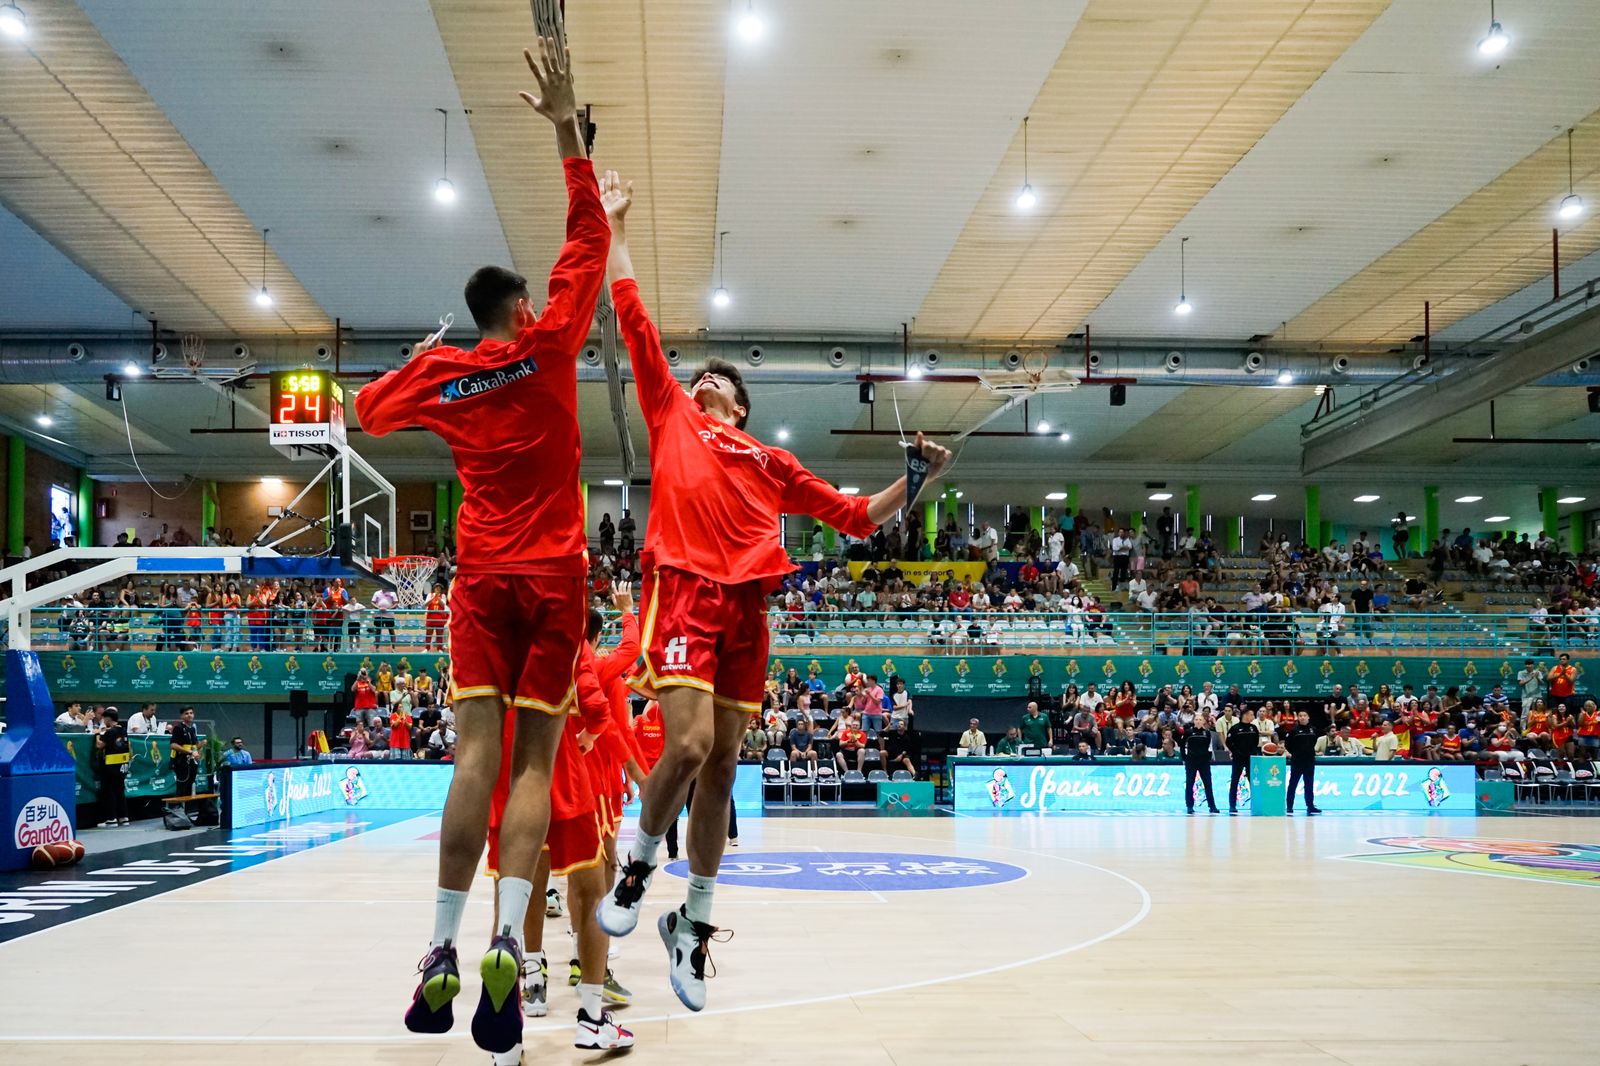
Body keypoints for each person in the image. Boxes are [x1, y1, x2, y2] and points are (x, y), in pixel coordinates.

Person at [596, 168, 952, 1014]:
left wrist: (915, 480)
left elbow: (858, 518)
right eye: (697, 378)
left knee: (721, 768)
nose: (701, 382)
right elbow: (633, 315)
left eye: (717, 381)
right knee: (682, 749)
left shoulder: (771, 463)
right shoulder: (671, 416)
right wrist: (614, 222)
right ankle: (637, 866)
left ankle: (696, 923)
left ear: (744, 407)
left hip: (749, 608)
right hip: (683, 592)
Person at [356, 38, 607, 1051]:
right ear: (520, 309)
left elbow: (369, 412)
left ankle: (442, 948)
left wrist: (426, 359)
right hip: (554, 578)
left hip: (481, 580)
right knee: (534, 768)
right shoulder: (546, 346)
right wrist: (563, 129)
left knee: (472, 760)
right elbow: (586, 237)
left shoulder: (450, 379)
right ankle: (511, 938)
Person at [95, 708, 131, 826]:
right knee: (120, 791)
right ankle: (123, 817)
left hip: (110, 767)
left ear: (108, 719)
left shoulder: (110, 732)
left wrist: (97, 734)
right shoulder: (123, 730)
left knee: (109, 791)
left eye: (104, 718)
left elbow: (100, 745)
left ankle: (111, 819)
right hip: (122, 766)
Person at [1179, 711, 1219, 814]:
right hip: (1191, 761)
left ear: (1203, 722)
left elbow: (1209, 747)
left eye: (1200, 720)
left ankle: (1212, 806)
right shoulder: (1188, 732)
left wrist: (1208, 758)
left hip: (1204, 762)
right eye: (1196, 719)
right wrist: (1184, 757)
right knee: (1189, 783)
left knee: (1208, 784)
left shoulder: (1207, 733)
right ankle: (1189, 806)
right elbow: (1182, 745)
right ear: (1194, 721)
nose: (1198, 721)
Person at [1283, 710, 1322, 814]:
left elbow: (1315, 743)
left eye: (1305, 715)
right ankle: (1289, 806)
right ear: (1298, 718)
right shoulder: (1294, 731)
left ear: (1308, 717)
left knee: (1309, 785)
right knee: (1293, 784)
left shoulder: (1313, 730)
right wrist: (1296, 753)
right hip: (1297, 761)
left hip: (1309, 761)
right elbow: (1288, 745)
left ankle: (1310, 806)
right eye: (1300, 716)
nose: (1302, 717)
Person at [1225, 707, 1260, 813]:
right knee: (1235, 781)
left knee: (1253, 782)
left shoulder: (1254, 728)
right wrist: (1236, 752)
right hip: (1238, 759)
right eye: (1251, 714)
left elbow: (1256, 742)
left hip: (1251, 759)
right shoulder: (1235, 728)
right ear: (1245, 715)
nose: (1253, 717)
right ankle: (1232, 805)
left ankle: (1255, 804)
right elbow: (1229, 742)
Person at [170, 706, 200, 803]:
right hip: (181, 763)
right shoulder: (178, 728)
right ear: (182, 716)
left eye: (191, 713)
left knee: (189, 787)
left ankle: (186, 812)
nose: (189, 715)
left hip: (192, 762)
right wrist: (190, 752)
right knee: (182, 787)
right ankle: (178, 813)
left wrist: (196, 751)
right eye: (186, 713)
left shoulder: (192, 729)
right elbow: (173, 745)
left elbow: (194, 745)